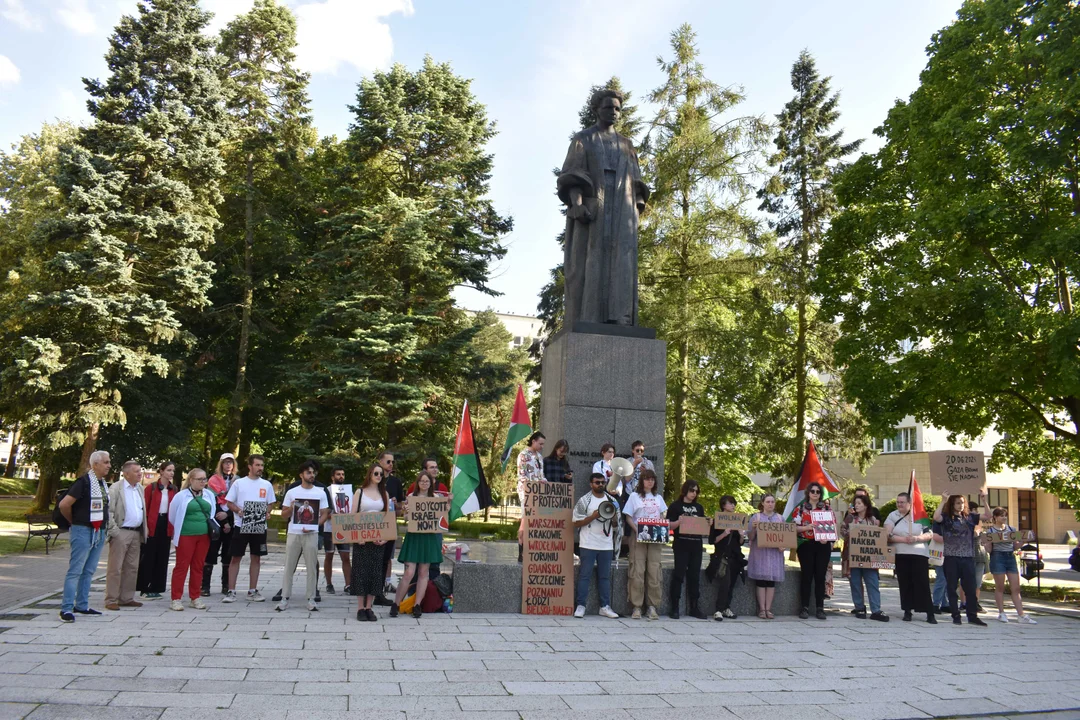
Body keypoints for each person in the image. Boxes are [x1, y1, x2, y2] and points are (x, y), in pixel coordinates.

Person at [559, 88, 649, 326]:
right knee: (590, 260)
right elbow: (572, 174)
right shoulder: (583, 139)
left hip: (622, 208)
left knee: (621, 261)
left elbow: (637, 182)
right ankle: (588, 317)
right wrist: (577, 203)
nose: (614, 112)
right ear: (597, 109)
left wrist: (636, 211)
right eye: (609, 107)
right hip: (593, 207)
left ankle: (620, 317)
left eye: (618, 108)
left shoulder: (627, 145)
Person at [58, 451, 112, 622]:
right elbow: (64, 504)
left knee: (89, 570)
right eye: (106, 462)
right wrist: (73, 522)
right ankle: (66, 608)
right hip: (82, 529)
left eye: (109, 462)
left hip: (99, 530)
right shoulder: (83, 482)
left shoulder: (102, 484)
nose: (109, 465)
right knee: (75, 570)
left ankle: (81, 604)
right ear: (95, 464)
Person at [391, 471, 445, 619]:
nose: (424, 484)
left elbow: (441, 518)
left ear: (431, 484)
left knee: (423, 573)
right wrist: (406, 512)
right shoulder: (411, 498)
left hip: (428, 537)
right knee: (409, 572)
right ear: (417, 483)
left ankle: (417, 605)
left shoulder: (436, 498)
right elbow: (407, 518)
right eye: (422, 481)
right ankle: (396, 603)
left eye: (427, 481)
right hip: (414, 537)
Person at [278, 461, 330, 612]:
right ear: (301, 475)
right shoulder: (292, 492)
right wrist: (292, 506)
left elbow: (325, 513)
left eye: (313, 472)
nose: (311, 475)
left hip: (311, 534)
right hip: (294, 532)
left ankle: (311, 598)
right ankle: (285, 597)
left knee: (312, 566)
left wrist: (316, 525)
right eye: (308, 472)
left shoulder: (320, 492)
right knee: (289, 565)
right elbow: (283, 515)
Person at [223, 455, 276, 603]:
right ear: (250, 466)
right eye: (257, 465)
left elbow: (270, 503)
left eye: (262, 465)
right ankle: (231, 591)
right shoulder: (239, 483)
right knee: (235, 557)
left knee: (256, 557)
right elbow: (229, 503)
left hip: (259, 526)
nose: (260, 468)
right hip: (241, 525)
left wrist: (267, 512)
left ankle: (252, 590)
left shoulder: (266, 485)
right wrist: (238, 511)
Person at [932, 491, 990, 626]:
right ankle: (956, 615)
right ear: (952, 504)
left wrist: (984, 500)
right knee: (952, 587)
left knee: (970, 588)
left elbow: (987, 516)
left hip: (967, 557)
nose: (961, 505)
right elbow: (936, 517)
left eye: (962, 503)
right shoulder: (947, 517)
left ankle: (972, 615)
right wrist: (943, 500)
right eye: (958, 503)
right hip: (951, 557)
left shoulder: (970, 517)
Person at [572, 472, 621, 619]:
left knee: (604, 577)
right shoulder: (584, 500)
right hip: (588, 543)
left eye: (602, 482)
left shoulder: (612, 501)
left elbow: (617, 525)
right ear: (591, 484)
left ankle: (604, 606)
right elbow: (575, 522)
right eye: (597, 482)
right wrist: (592, 516)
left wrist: (613, 519)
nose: (600, 485)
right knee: (584, 576)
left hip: (606, 545)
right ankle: (581, 606)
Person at [884, 492, 937, 624]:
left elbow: (929, 534)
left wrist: (916, 538)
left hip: (919, 554)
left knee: (922, 583)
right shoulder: (893, 515)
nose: (899, 505)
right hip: (901, 553)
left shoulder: (919, 515)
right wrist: (903, 539)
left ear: (909, 503)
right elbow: (887, 534)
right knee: (905, 582)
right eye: (898, 502)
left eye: (902, 502)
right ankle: (907, 610)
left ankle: (929, 612)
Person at [167, 468, 215, 611]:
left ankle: (195, 596)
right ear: (191, 480)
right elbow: (172, 515)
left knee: (198, 566)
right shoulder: (181, 496)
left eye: (204, 479)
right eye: (199, 479)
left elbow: (212, 512)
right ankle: (176, 598)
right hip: (185, 535)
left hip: (203, 535)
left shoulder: (209, 495)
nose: (203, 482)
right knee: (182, 566)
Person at [622, 468, 666, 620]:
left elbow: (661, 516)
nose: (650, 481)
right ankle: (637, 606)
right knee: (637, 570)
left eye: (652, 479)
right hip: (638, 535)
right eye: (647, 479)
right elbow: (628, 517)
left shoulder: (658, 497)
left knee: (654, 570)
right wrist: (638, 530)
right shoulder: (634, 496)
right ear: (642, 481)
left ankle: (652, 606)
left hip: (654, 538)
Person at [104, 460, 147, 611]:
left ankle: (127, 597)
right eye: (136, 471)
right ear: (126, 473)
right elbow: (108, 512)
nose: (140, 474)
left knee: (132, 567)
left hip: (136, 532)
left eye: (140, 471)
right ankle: (111, 599)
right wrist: (114, 531)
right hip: (121, 531)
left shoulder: (139, 488)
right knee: (115, 567)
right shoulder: (116, 489)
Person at [840, 496, 889, 621]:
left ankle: (876, 610)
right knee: (855, 582)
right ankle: (859, 607)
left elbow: (877, 536)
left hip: (870, 557)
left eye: (859, 503)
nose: (856, 505)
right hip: (854, 555)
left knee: (872, 582)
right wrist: (852, 533)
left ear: (866, 505)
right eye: (855, 503)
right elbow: (842, 530)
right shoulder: (850, 518)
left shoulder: (872, 520)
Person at [351, 464, 390, 621]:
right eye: (376, 473)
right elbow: (353, 516)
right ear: (370, 474)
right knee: (361, 571)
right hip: (361, 538)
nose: (379, 476)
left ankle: (369, 607)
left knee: (375, 572)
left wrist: (385, 537)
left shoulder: (384, 493)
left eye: (381, 474)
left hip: (378, 538)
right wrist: (356, 536)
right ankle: (360, 608)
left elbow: (388, 517)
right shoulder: (360, 492)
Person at [667, 480, 709, 619]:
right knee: (678, 575)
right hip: (681, 545)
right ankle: (674, 607)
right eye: (692, 490)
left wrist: (708, 523)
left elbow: (703, 526)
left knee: (694, 576)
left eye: (696, 491)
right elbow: (668, 526)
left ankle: (694, 607)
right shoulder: (675, 506)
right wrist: (679, 522)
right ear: (685, 490)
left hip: (696, 545)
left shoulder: (699, 507)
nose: (694, 494)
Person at [986, 507, 1036, 624]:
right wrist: (986, 544)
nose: (1004, 518)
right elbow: (989, 550)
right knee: (1000, 587)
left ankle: (1021, 615)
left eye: (1005, 515)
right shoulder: (991, 531)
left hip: (1010, 557)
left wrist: (1023, 541)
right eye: (1001, 515)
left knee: (1016, 588)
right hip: (997, 557)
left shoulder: (1011, 530)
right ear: (995, 517)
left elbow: (1014, 546)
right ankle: (1001, 613)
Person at [791, 481, 832, 620]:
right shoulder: (801, 509)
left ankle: (820, 608)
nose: (815, 494)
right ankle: (804, 607)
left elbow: (832, 527)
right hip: (806, 545)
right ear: (808, 493)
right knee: (806, 576)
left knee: (820, 577)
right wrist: (806, 528)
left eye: (818, 492)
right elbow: (793, 528)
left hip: (822, 545)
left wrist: (827, 538)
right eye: (812, 491)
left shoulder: (826, 509)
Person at [137, 461, 178, 600]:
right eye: (168, 470)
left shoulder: (174, 489)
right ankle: (145, 587)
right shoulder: (152, 488)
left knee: (163, 556)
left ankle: (157, 587)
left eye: (173, 470)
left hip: (166, 524)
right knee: (149, 556)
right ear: (161, 471)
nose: (171, 473)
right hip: (153, 524)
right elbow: (145, 508)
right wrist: (146, 526)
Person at [203, 453, 237, 596]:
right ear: (221, 464)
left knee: (228, 553)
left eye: (231, 462)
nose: (228, 465)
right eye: (225, 462)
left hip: (232, 518)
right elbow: (211, 500)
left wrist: (228, 516)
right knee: (211, 552)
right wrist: (222, 520)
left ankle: (226, 585)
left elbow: (239, 501)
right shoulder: (213, 480)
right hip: (216, 519)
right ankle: (204, 586)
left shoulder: (238, 481)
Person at [747, 494, 785, 619]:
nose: (770, 504)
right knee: (761, 581)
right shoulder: (756, 517)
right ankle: (762, 609)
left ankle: (768, 608)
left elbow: (784, 537)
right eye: (768, 501)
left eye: (772, 501)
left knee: (771, 582)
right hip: (760, 554)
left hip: (774, 554)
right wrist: (753, 529)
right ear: (762, 503)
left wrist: (783, 546)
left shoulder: (780, 518)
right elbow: (751, 537)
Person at [705, 495, 742, 621]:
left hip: (735, 556)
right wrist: (724, 533)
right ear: (723, 505)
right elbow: (712, 541)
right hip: (722, 556)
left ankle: (726, 607)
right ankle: (718, 610)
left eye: (734, 503)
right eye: (730, 503)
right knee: (725, 583)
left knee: (731, 584)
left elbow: (740, 542)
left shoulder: (738, 520)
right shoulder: (717, 520)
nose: (733, 506)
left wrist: (742, 535)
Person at [377, 451, 404, 601]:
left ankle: (380, 592)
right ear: (380, 462)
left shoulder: (396, 482)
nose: (391, 464)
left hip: (390, 525)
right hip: (374, 525)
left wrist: (396, 505)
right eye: (388, 462)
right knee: (375, 559)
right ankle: (371, 591)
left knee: (386, 558)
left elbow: (400, 508)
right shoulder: (374, 480)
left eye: (392, 462)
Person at [516, 432, 545, 562]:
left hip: (538, 494)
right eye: (540, 443)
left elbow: (540, 474)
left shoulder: (539, 456)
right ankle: (521, 550)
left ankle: (532, 549)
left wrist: (544, 481)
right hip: (526, 493)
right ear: (533, 441)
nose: (542, 446)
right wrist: (535, 483)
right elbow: (522, 475)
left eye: (543, 444)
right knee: (525, 520)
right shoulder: (523, 455)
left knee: (534, 522)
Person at [324, 466, 353, 596]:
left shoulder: (348, 491)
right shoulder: (327, 491)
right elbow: (323, 511)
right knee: (329, 555)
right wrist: (332, 516)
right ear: (332, 477)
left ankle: (348, 584)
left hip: (343, 528)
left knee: (346, 557)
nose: (341, 476)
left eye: (342, 474)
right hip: (329, 528)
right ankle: (329, 584)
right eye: (338, 474)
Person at [959, 502, 987, 614]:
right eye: (972, 509)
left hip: (979, 555)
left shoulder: (979, 523)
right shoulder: (962, 522)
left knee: (977, 582)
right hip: (966, 555)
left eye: (975, 509)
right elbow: (974, 534)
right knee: (964, 581)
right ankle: (963, 602)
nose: (974, 512)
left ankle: (975, 603)